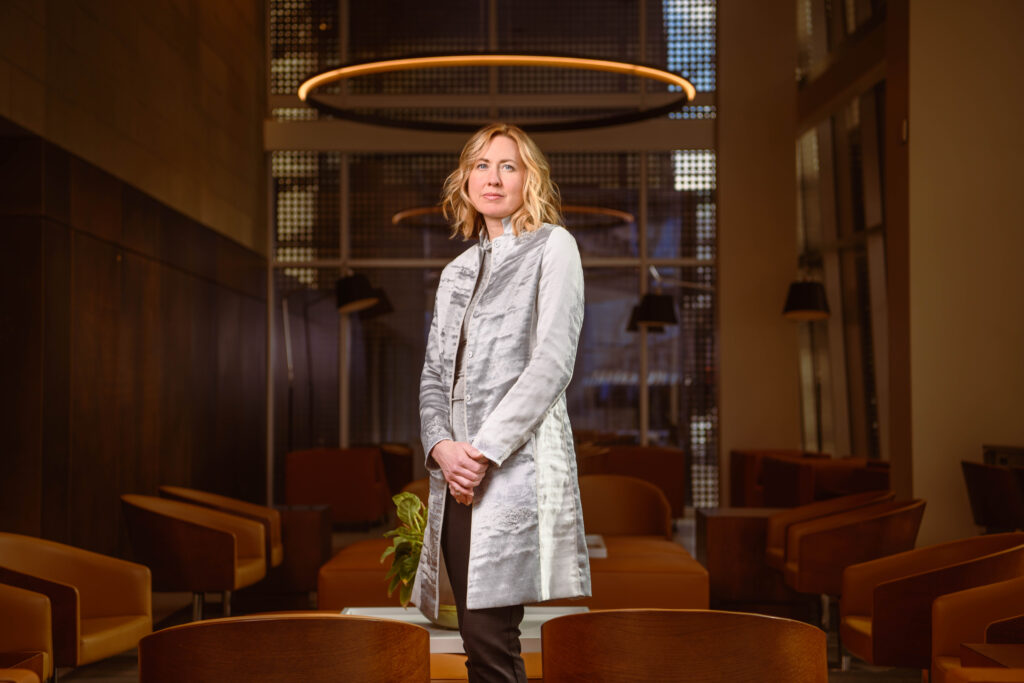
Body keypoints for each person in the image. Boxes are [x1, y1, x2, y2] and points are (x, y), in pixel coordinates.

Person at [412, 123, 591, 682]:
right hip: (455, 476)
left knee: (492, 644)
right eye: (481, 165)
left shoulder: (553, 246)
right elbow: (434, 374)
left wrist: (482, 453)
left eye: (508, 166)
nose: (493, 177)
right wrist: (442, 448)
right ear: (465, 180)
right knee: (477, 641)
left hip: (511, 468)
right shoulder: (456, 272)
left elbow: (552, 363)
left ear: (528, 178)